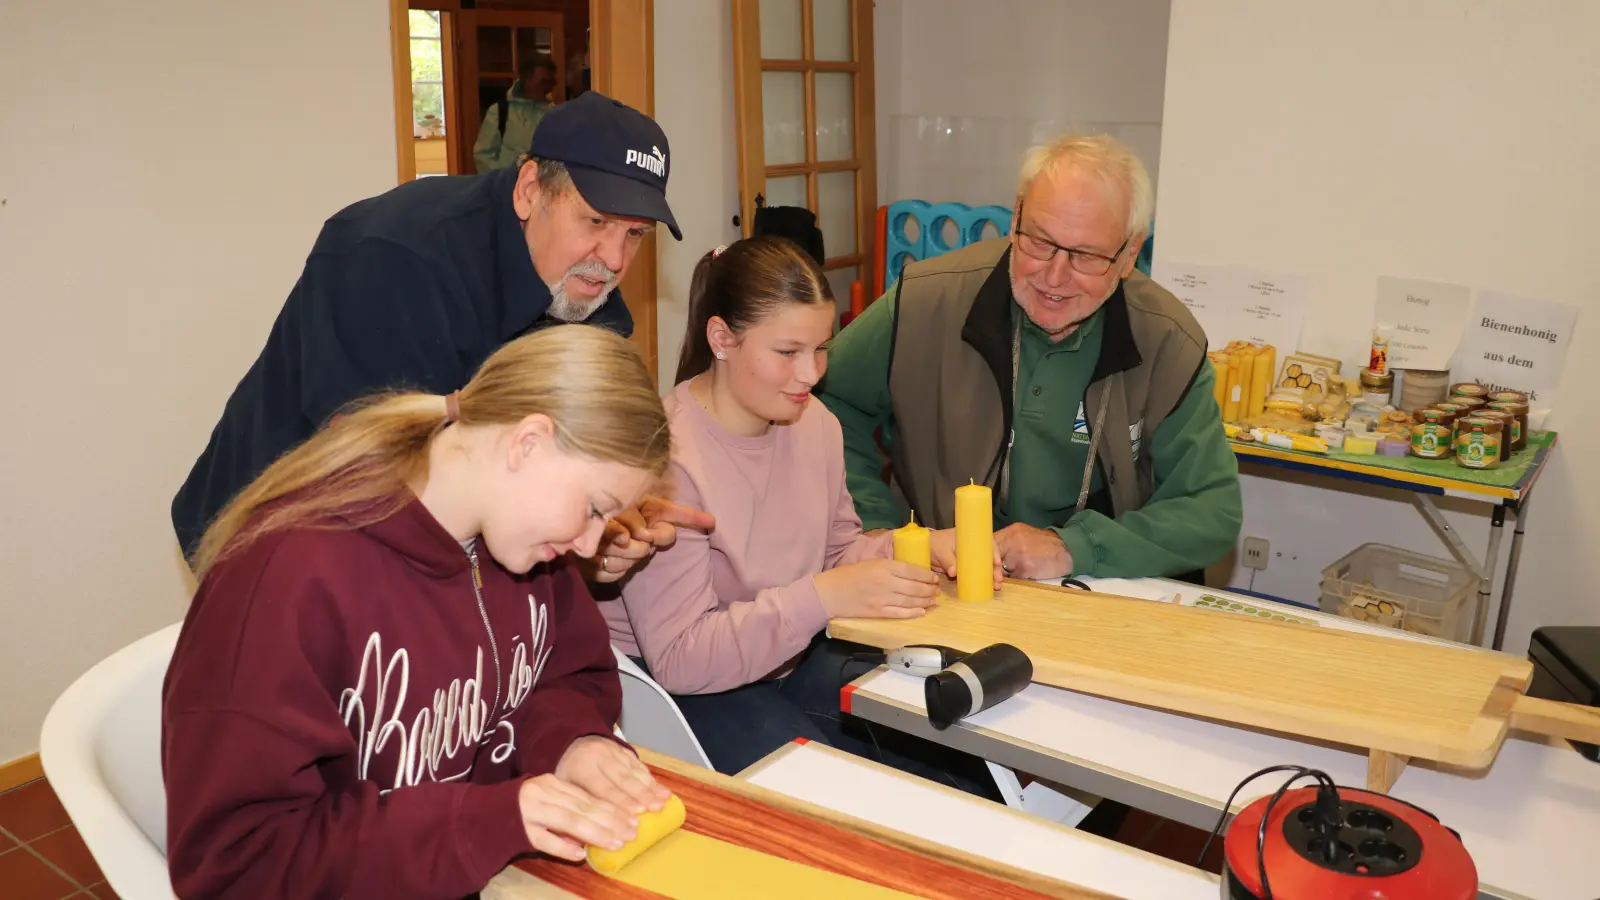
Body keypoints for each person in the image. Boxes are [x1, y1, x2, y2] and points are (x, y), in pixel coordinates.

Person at [163, 326, 674, 899]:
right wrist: (484, 820)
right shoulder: (287, 580)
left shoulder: (527, 551)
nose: (589, 544)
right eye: (593, 509)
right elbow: (239, 864)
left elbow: (565, 675)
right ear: (527, 442)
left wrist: (571, 741)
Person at [172, 91, 704, 576]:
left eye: (636, 235)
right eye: (595, 223)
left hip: (425, 539)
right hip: (276, 525)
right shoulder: (396, 257)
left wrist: (600, 515)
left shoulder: (585, 282)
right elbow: (379, 466)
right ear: (528, 191)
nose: (614, 259)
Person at [599, 237, 1000, 788]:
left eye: (821, 349)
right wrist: (824, 597)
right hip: (679, 691)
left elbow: (835, 551)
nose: (811, 374)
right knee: (835, 798)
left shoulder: (816, 426)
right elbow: (681, 658)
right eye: (787, 352)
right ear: (722, 339)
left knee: (952, 772)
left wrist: (916, 547)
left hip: (785, 658)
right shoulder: (668, 459)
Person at [819, 134, 1242, 583]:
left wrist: (1075, 548)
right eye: (1039, 242)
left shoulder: (1167, 341)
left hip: (1095, 587)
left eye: (1086, 256)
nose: (1054, 278)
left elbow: (1210, 510)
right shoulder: (926, 300)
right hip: (942, 582)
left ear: (1129, 255)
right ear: (1017, 215)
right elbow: (826, 404)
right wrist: (880, 531)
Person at [474, 51, 559, 173]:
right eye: (544, 81)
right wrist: (501, 180)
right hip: (505, 186)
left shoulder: (554, 113)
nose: (549, 87)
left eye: (551, 82)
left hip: (540, 186)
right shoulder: (500, 111)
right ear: (526, 80)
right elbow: (483, 155)